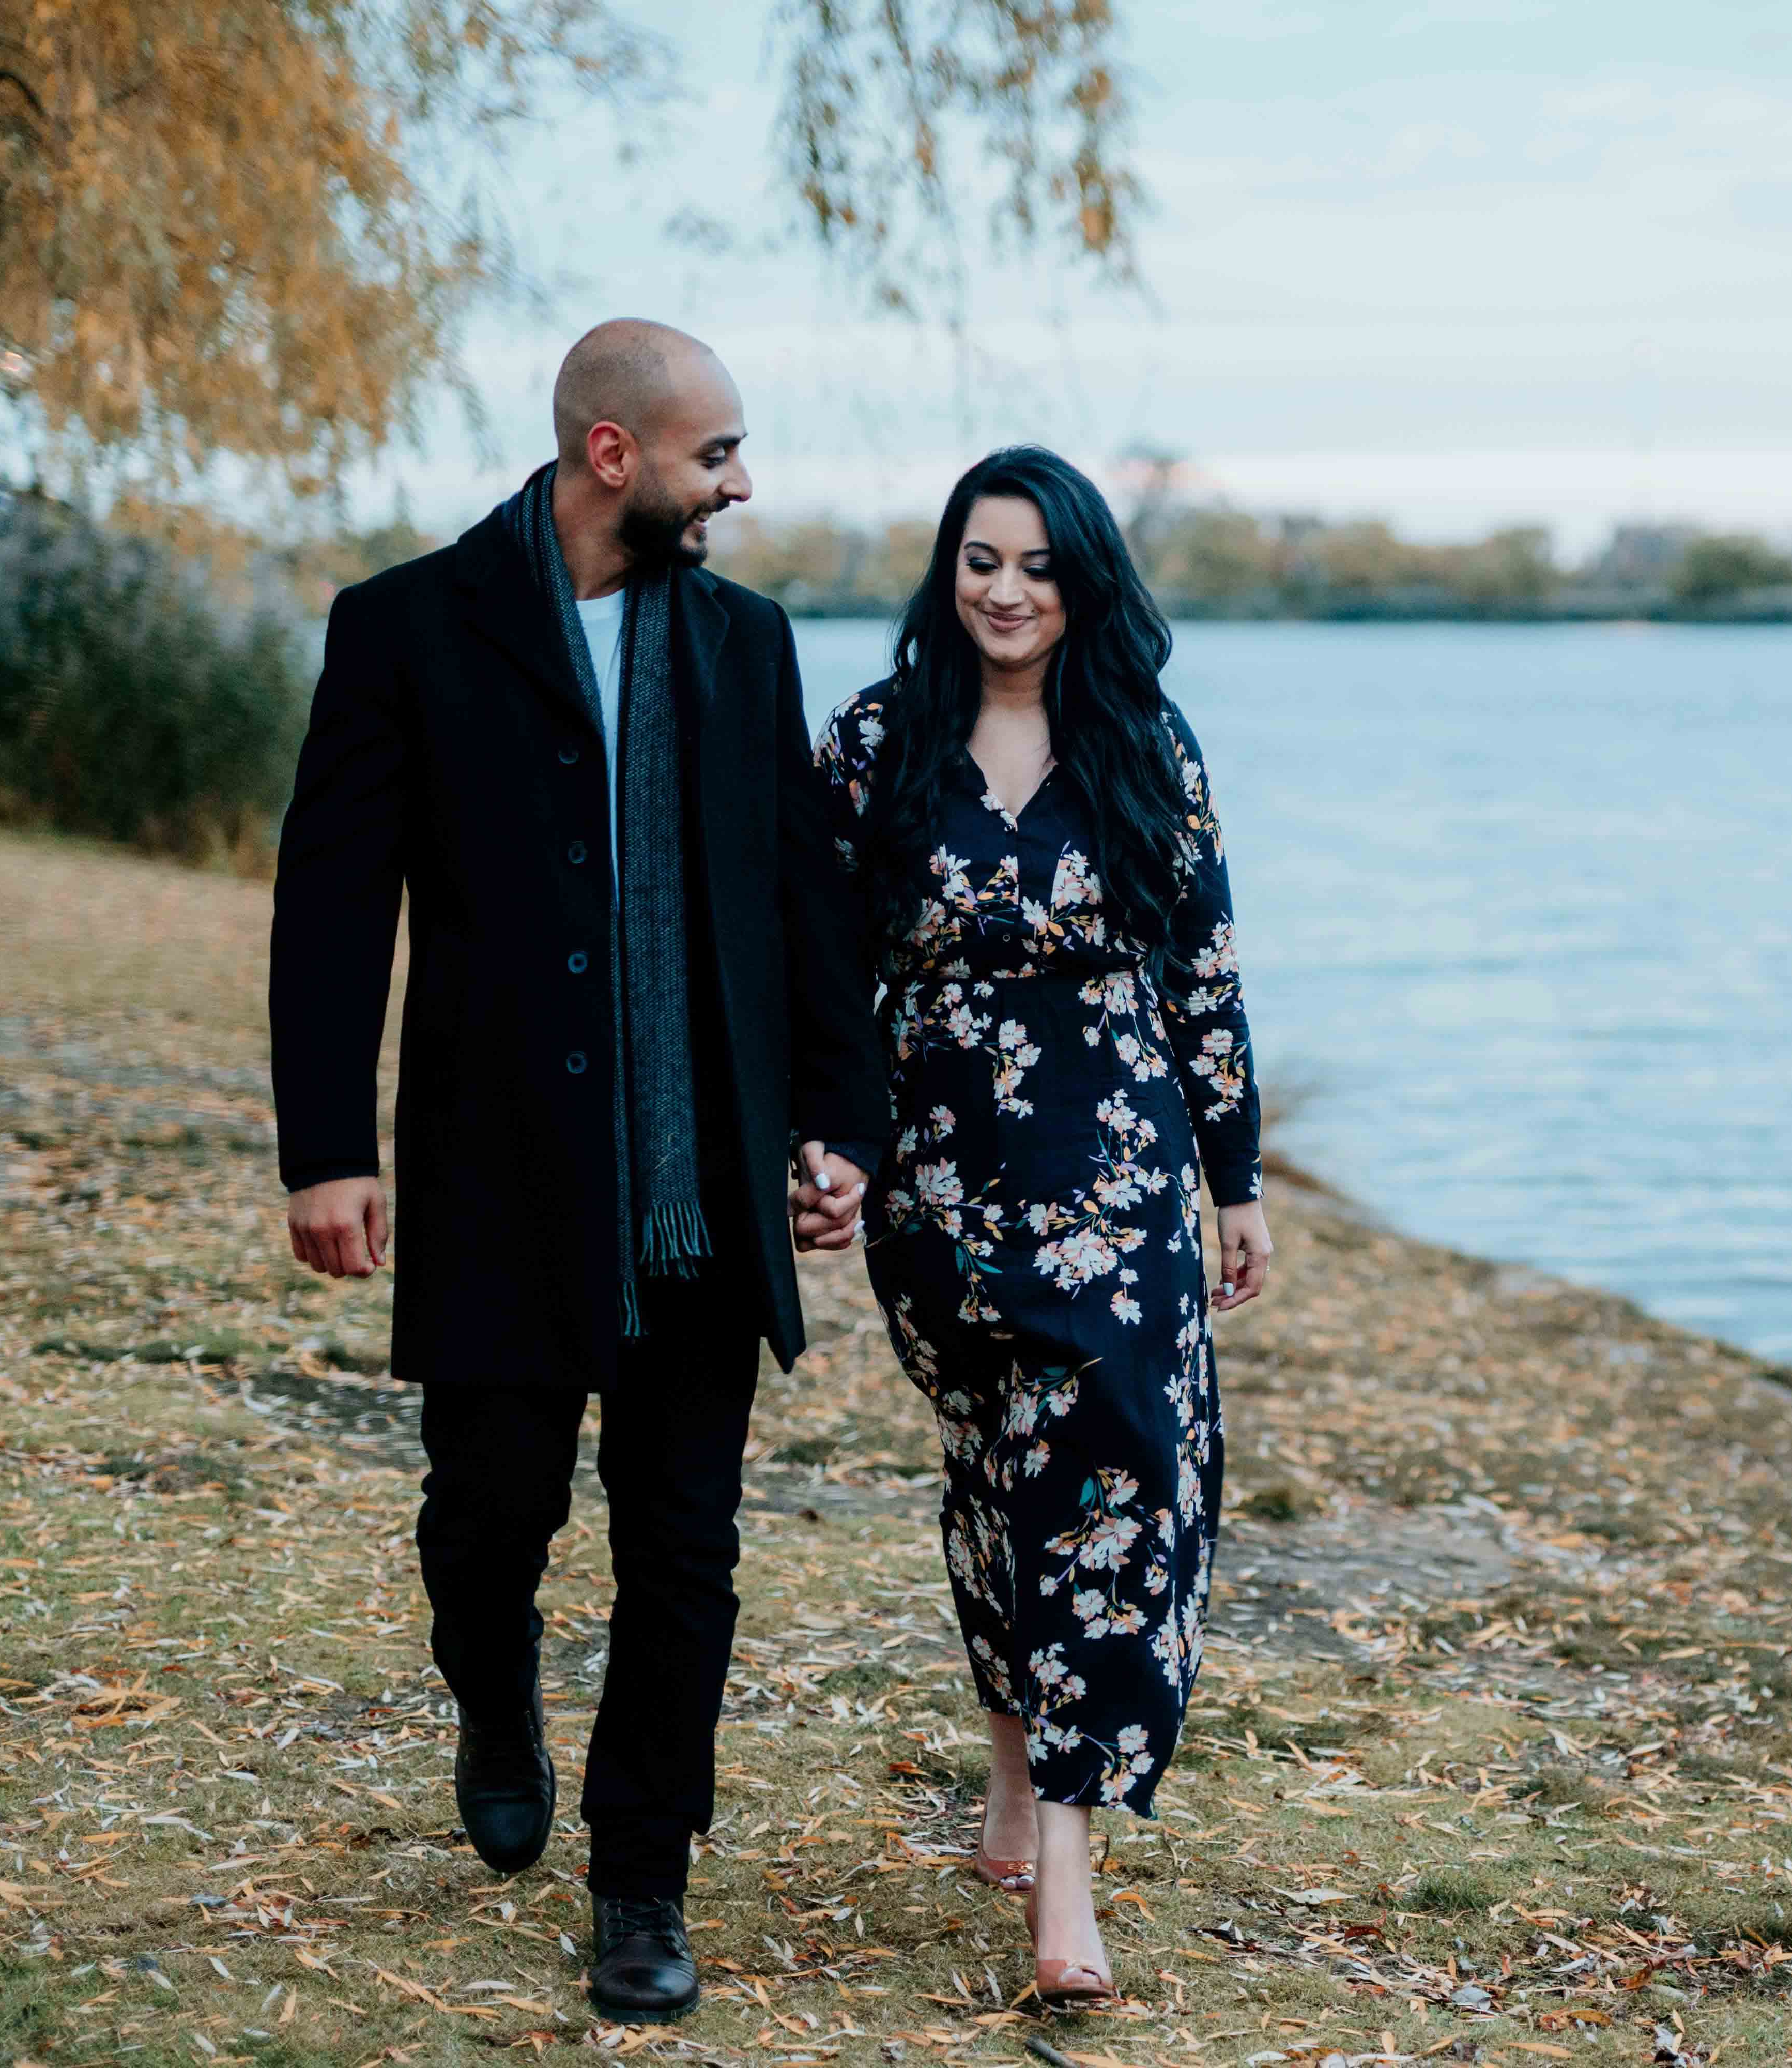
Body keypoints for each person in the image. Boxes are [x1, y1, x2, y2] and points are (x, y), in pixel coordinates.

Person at [268, 320, 889, 2026]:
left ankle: (642, 1879)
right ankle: (492, 1692)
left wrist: (838, 1131)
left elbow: (805, 910)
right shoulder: (406, 626)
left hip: (703, 1192)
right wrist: (325, 1149)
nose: (741, 485)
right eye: (718, 455)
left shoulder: (748, 646)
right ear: (615, 454)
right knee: (493, 1517)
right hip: (492, 1176)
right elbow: (334, 900)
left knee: (683, 1548)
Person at [815, 445, 1269, 2006]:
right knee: (1000, 1474)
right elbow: (820, 978)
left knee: (1119, 1475)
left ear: (1086, 583)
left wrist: (1238, 1179)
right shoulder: (879, 744)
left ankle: (1064, 1883)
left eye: (1037, 565)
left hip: (1119, 1168)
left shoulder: (1145, 744)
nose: (1006, 591)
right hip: (939, 1176)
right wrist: (834, 1153)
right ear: (949, 572)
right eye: (980, 560)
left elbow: (1203, 973)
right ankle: (1011, 1760)